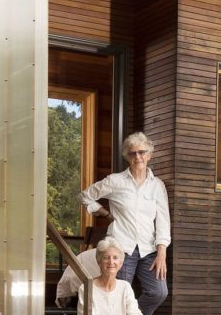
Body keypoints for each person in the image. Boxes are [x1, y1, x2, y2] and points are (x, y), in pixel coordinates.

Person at [79, 132, 170, 315]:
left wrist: (162, 253)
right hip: (122, 248)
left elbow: (163, 220)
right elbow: (84, 196)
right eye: (133, 153)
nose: (138, 157)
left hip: (149, 250)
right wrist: (104, 212)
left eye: (142, 152)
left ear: (149, 155)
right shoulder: (115, 181)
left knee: (159, 292)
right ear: (127, 157)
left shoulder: (157, 185)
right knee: (119, 293)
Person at [77, 237, 143, 315]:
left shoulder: (125, 287)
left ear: (121, 263)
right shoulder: (86, 288)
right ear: (99, 262)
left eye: (115, 258)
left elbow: (134, 313)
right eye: (106, 257)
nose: (111, 262)